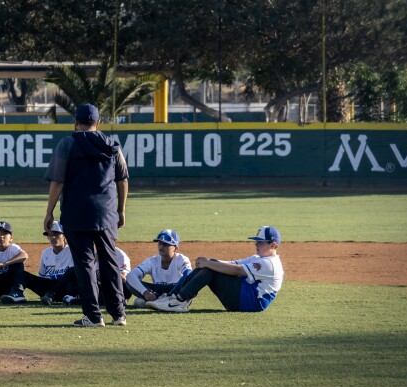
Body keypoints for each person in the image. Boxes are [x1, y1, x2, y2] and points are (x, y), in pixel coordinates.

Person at [44, 103, 129, 327]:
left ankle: (93, 316)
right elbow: (123, 179)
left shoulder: (67, 144)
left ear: (75, 122)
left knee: (85, 265)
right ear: (98, 123)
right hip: (107, 214)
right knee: (110, 262)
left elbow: (57, 181)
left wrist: (49, 212)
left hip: (76, 213)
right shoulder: (112, 145)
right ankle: (119, 314)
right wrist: (121, 210)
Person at [150, 226, 284, 313]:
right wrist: (208, 261)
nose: (256, 244)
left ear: (273, 244)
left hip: (250, 303)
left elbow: (238, 271)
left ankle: (178, 301)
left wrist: (208, 264)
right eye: (256, 241)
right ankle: (172, 297)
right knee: (211, 265)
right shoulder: (259, 258)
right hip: (244, 296)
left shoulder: (270, 264)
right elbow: (233, 263)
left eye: (260, 242)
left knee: (210, 269)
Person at [125, 229, 192, 308]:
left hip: (176, 291)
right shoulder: (152, 261)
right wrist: (145, 293)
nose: (161, 246)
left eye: (165, 244)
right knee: (129, 282)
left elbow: (188, 275)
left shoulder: (182, 259)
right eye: (160, 243)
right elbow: (131, 276)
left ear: (175, 248)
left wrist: (173, 293)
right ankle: (161, 302)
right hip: (156, 292)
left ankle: (158, 302)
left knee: (189, 281)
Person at [19, 221, 80, 305]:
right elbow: (42, 276)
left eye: (57, 234)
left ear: (64, 236)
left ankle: (53, 294)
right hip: (48, 290)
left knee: (72, 271)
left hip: (65, 289)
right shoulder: (46, 252)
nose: (53, 237)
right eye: (50, 234)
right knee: (23, 274)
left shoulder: (71, 251)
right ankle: (17, 294)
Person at [0, 221, 29, 304]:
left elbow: (24, 255)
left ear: (11, 237)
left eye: (4, 234)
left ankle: (17, 292)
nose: (1, 237)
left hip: (8, 290)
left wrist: (4, 263)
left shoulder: (13, 248)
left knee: (18, 264)